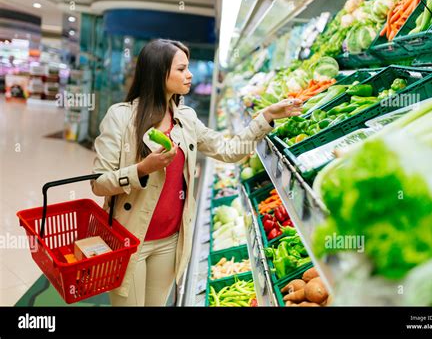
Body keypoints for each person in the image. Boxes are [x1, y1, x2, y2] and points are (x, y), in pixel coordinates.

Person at [90, 39, 303, 306]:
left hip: (171, 241)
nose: (189, 75)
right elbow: (98, 183)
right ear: (158, 72)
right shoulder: (120, 118)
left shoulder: (186, 118)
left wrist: (266, 117)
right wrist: (143, 169)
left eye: (187, 68)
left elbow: (230, 150)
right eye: (181, 69)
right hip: (129, 240)